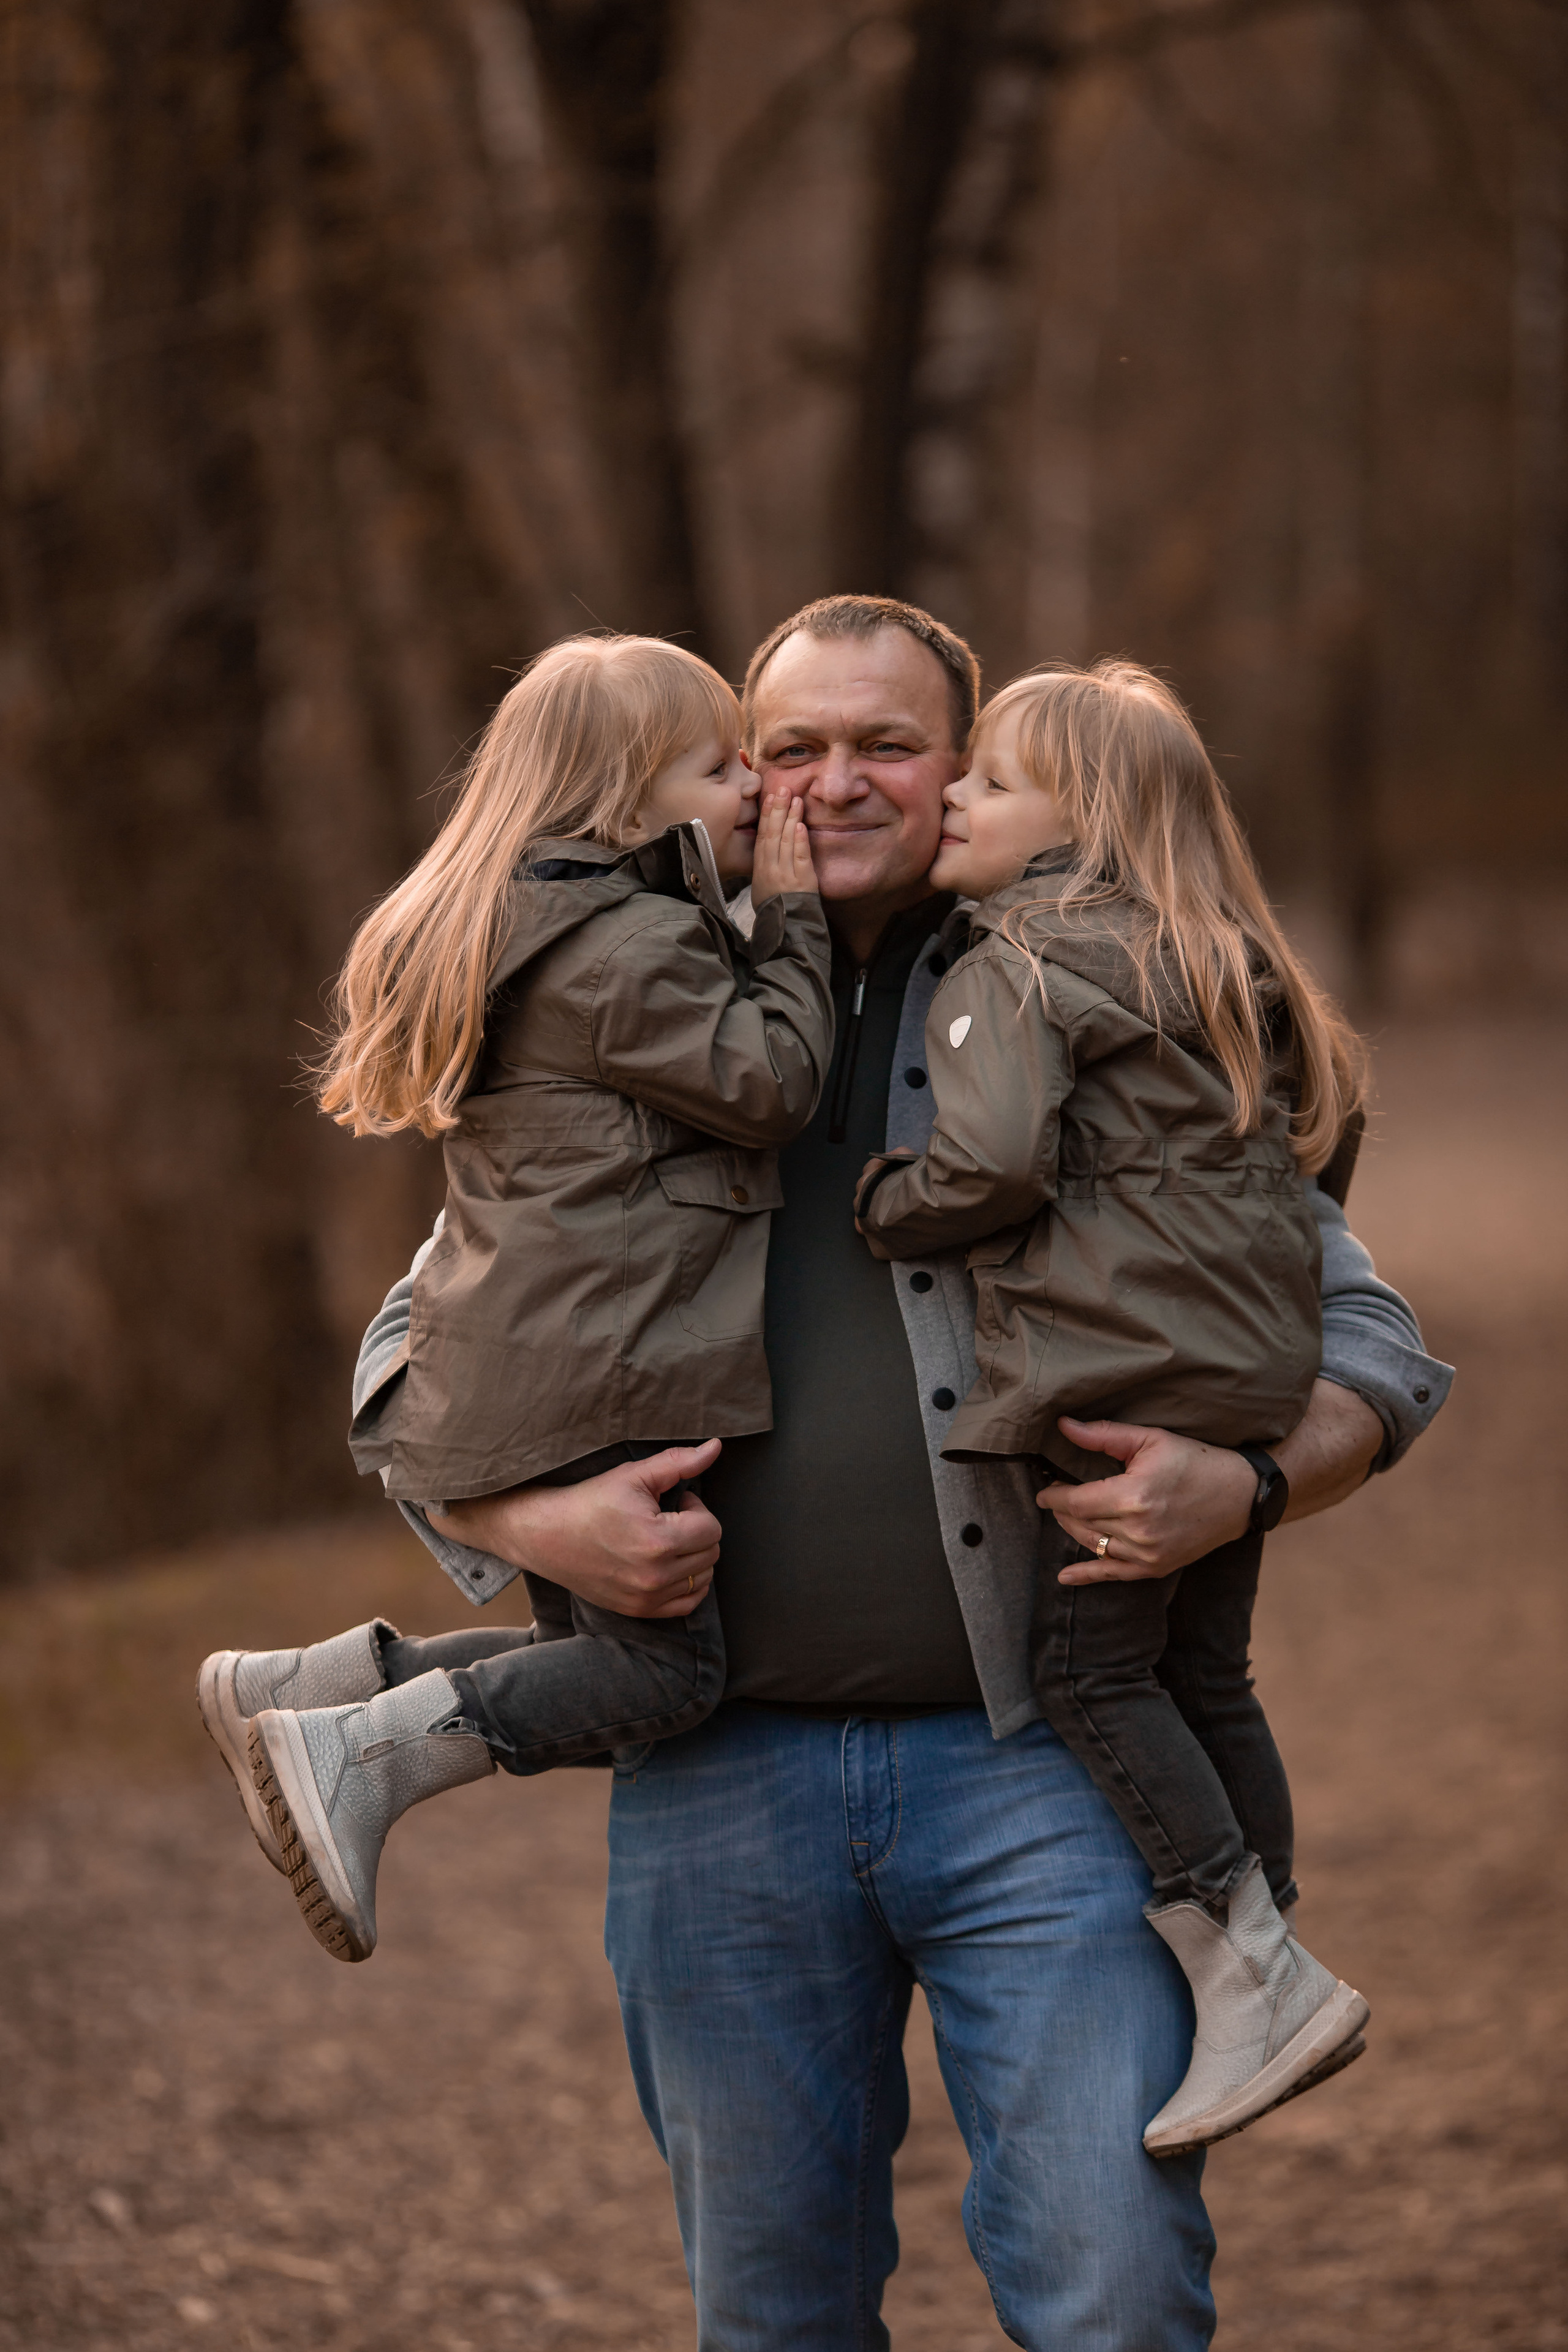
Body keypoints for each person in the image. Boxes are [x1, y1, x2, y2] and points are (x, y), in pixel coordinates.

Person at [224, 597, 1451, 2350]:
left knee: (1115, 2294)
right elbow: (413, 1351)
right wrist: (522, 1519)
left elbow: (1373, 1336)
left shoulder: (1097, 981)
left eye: (886, 743)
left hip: (1047, 1769)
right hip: (717, 1781)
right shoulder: (649, 1000)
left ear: (966, 772)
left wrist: (1248, 1486)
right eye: (790, 745)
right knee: (774, 2318)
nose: (834, 780)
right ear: (739, 773)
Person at [198, 635, 830, 1964]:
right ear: (625, 793)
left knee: (602, 1669)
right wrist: (794, 914)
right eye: (721, 767)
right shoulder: (620, 947)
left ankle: (331, 1687)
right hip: (601, 1362)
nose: (755, 792)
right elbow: (773, 1082)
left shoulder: (544, 924)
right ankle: (356, 1746)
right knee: (664, 1677)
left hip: (551, 1350)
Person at [854, 657, 1372, 2157]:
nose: (955, 798)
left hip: (1101, 1379)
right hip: (1240, 1387)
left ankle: (1252, 1975)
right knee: (1206, 1673)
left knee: (1089, 1672)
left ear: (1077, 821)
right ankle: (1266, 1942)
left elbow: (998, 1162)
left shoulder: (1005, 961)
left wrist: (892, 1202)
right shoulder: (1229, 969)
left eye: (988, 785)